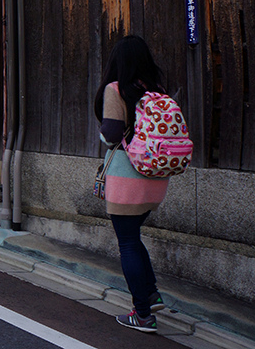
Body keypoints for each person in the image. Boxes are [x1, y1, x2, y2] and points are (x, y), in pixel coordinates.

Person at [93, 35, 170, 333]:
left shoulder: (116, 90)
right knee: (133, 236)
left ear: (117, 61)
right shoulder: (156, 90)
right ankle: (150, 295)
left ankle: (142, 314)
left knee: (126, 242)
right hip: (156, 177)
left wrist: (103, 134)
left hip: (128, 177)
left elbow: (111, 134)